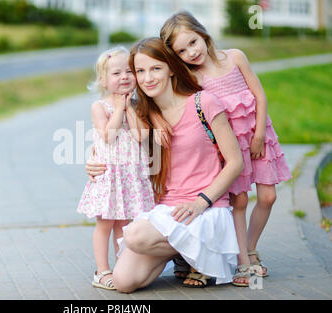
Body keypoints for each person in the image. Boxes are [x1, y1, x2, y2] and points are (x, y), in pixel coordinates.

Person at [88, 37, 243, 291]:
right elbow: (111, 142)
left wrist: (201, 202)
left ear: (171, 67)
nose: (148, 78)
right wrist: (93, 162)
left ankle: (196, 251)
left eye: (155, 68)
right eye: (140, 71)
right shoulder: (140, 112)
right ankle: (182, 253)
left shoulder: (204, 103)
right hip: (164, 212)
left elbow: (235, 162)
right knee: (123, 282)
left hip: (204, 207)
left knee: (136, 235)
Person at [155, 11, 292, 286]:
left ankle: (250, 247)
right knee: (239, 201)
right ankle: (244, 261)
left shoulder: (236, 57)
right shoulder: (193, 80)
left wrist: (260, 134)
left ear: (202, 34)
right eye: (181, 51)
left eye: (192, 42)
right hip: (230, 146)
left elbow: (259, 95)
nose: (191, 52)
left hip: (258, 136)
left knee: (267, 197)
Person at [77, 46, 155, 290]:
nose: (124, 77)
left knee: (124, 223)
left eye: (128, 72)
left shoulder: (137, 104)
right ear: (103, 80)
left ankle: (123, 266)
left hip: (130, 175)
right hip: (109, 175)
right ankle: (102, 270)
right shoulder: (100, 106)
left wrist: (130, 107)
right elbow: (109, 135)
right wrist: (120, 107)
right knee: (105, 224)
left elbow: (141, 135)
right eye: (116, 73)